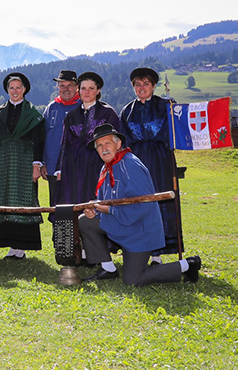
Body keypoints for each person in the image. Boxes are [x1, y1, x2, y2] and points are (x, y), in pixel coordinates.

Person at [79, 123, 201, 285]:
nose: (103, 148)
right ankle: (108, 268)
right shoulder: (106, 168)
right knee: (85, 220)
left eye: (107, 143)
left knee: (133, 280)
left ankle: (188, 265)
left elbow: (141, 206)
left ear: (119, 144)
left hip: (139, 230)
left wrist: (108, 210)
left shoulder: (131, 165)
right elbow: (105, 200)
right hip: (121, 224)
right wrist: (95, 210)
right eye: (99, 145)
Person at [119, 67, 183, 261]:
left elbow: (176, 130)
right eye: (137, 84)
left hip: (161, 160)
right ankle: (138, 250)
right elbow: (123, 140)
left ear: (154, 86)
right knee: (137, 204)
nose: (142, 87)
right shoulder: (127, 111)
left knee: (160, 202)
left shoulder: (166, 106)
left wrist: (175, 110)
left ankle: (158, 255)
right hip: (135, 161)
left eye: (146, 84)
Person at [0, 73, 46, 259]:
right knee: (2, 199)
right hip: (3, 162)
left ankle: (20, 247)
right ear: (7, 90)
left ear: (25, 89)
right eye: (11, 88)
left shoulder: (33, 114)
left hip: (24, 161)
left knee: (23, 199)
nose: (14, 91)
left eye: (18, 87)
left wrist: (36, 165)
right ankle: (6, 244)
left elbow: (39, 140)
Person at [56, 71, 121, 205]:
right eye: (83, 88)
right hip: (73, 167)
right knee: (73, 203)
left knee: (96, 202)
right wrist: (60, 169)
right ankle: (74, 226)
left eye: (91, 88)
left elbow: (116, 144)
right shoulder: (71, 116)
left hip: (98, 164)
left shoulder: (108, 113)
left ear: (98, 91)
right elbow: (65, 144)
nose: (87, 92)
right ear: (78, 90)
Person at [40, 70, 80, 206]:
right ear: (58, 87)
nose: (66, 89)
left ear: (77, 87)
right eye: (62, 85)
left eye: (70, 85)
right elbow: (43, 137)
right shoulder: (51, 108)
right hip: (53, 166)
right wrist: (44, 163)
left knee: (77, 206)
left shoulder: (83, 106)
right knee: (56, 208)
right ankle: (57, 229)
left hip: (78, 167)